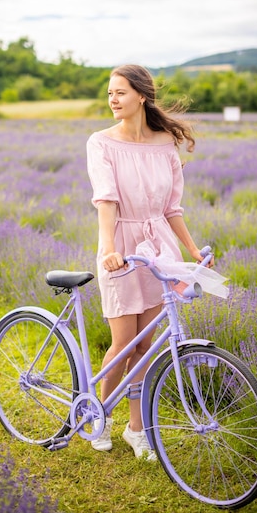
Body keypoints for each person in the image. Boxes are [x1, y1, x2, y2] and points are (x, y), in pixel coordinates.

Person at [86, 64, 213, 460]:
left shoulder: (163, 145)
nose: (112, 99)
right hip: (121, 247)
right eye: (109, 93)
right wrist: (108, 248)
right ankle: (99, 416)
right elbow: (105, 201)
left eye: (120, 92)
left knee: (148, 346)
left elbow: (172, 208)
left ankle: (136, 428)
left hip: (159, 248)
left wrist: (192, 250)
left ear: (141, 95)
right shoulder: (101, 142)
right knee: (124, 343)